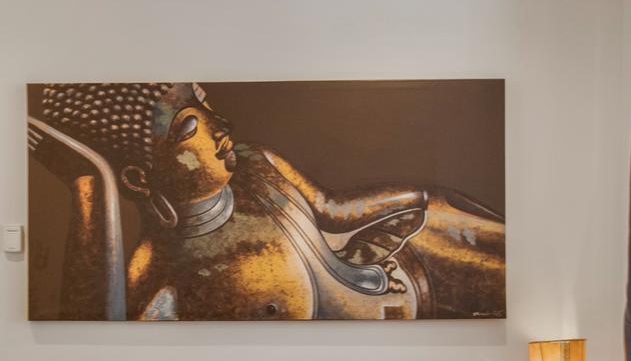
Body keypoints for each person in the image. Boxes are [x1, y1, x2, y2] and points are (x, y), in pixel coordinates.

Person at [28, 82, 505, 320]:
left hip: (403, 272)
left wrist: (421, 198)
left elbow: (333, 210)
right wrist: (88, 183)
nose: (221, 127)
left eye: (207, 106)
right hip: (386, 327)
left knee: (481, 244)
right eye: (190, 127)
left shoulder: (258, 165)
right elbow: (97, 331)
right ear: (137, 178)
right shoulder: (163, 274)